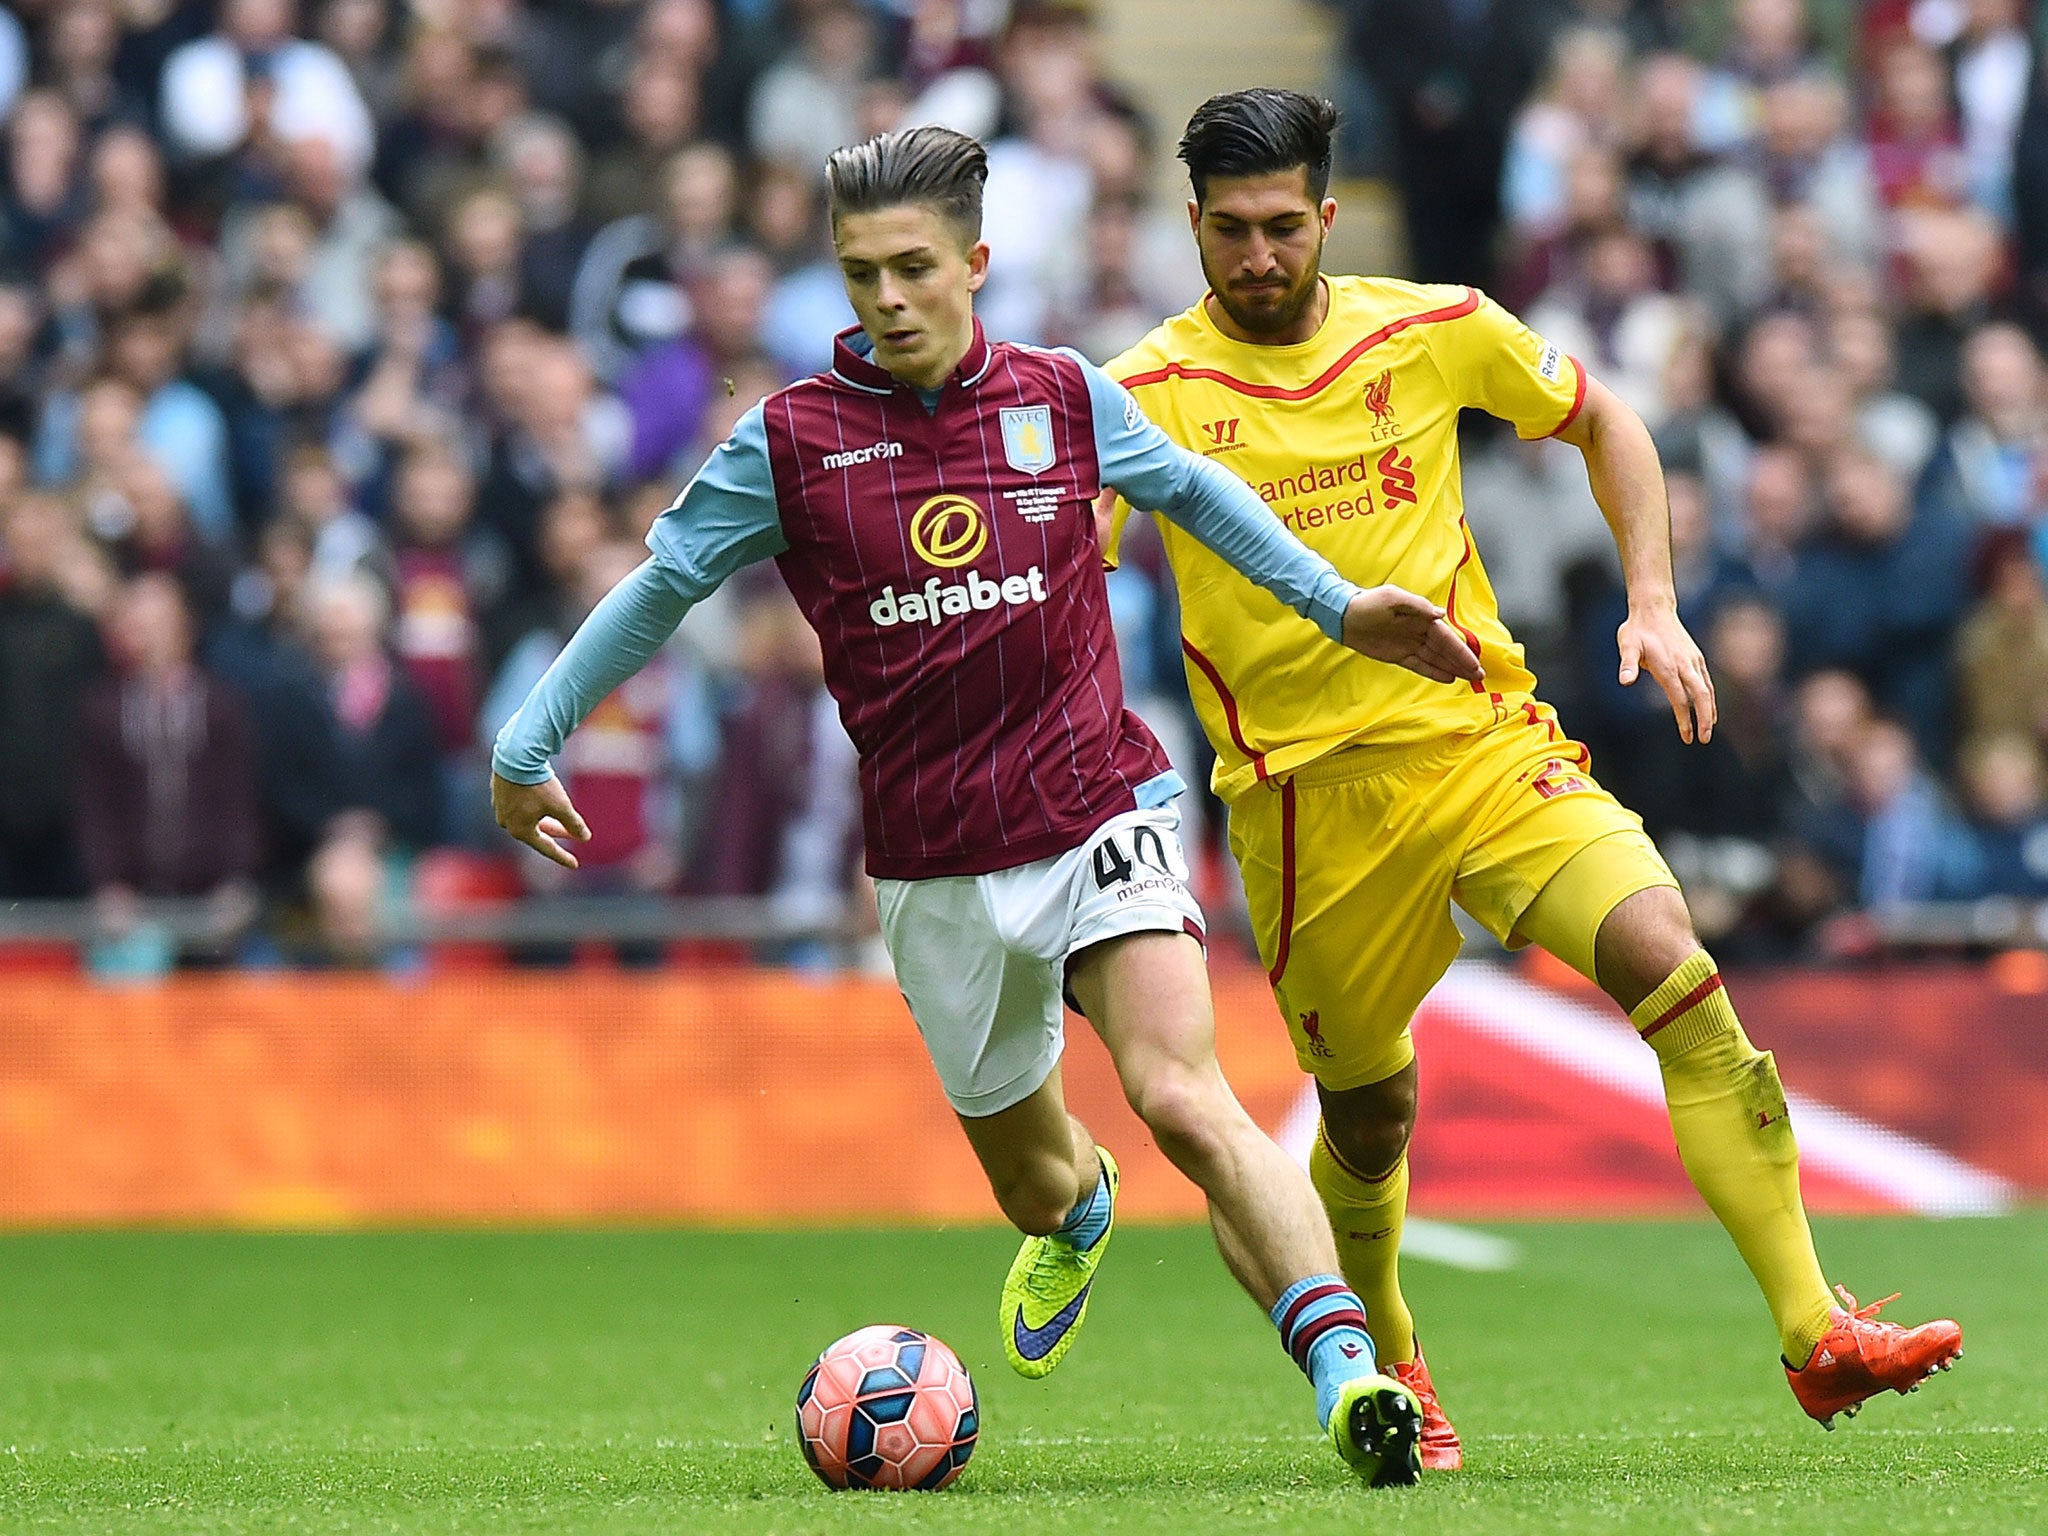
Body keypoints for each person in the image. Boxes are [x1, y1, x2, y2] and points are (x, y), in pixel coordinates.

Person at [491, 125, 1492, 1489]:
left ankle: (1347, 1376)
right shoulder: (787, 444)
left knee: (1186, 1097)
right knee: (1033, 1181)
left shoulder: (1065, 399)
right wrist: (529, 737)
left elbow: (1198, 496)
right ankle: (1078, 1207)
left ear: (973, 263)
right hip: (935, 869)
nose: (887, 297)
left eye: (912, 267)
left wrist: (1338, 603)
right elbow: (661, 585)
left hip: (1100, 807)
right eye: (860, 273)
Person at [1103, 89, 1963, 1466]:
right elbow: (1064, 567)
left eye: (1280, 227)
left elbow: (1608, 421)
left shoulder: (1433, 326)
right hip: (1307, 806)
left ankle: (1815, 1330)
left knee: (1670, 960)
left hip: (1485, 741)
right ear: (1189, 225)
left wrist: (1656, 600)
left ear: (1326, 217)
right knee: (1370, 1113)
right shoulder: (1141, 393)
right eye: (1228, 232)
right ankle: (1387, 1347)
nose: (1257, 257)